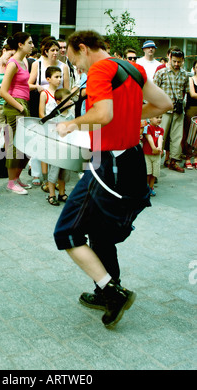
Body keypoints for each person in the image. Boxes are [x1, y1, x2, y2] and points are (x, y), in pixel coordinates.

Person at [53, 30, 172, 329]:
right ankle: (103, 291)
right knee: (100, 231)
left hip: (110, 162)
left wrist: (72, 123)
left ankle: (112, 291)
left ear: (82, 48)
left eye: (74, 60)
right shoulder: (131, 67)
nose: (77, 68)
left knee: (66, 232)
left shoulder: (99, 70)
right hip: (132, 159)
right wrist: (130, 117)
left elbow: (103, 114)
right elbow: (164, 104)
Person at [29, 39, 70, 185]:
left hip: (58, 105)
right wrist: (38, 87)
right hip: (41, 102)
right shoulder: (37, 64)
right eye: (52, 50)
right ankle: (36, 174)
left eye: (57, 50)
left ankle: (55, 174)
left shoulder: (63, 67)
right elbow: (29, 83)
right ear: (46, 51)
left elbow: (67, 88)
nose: (55, 53)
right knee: (38, 140)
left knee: (54, 144)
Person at [0, 32, 34, 195]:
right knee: (14, 146)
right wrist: (19, 107)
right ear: (20, 44)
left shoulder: (24, 61)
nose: (32, 45)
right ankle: (11, 182)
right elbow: (3, 91)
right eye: (30, 42)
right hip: (15, 105)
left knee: (25, 145)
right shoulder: (13, 63)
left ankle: (16, 178)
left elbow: (26, 85)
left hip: (23, 104)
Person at [153, 47, 189, 172]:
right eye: (174, 61)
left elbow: (186, 91)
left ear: (182, 61)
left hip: (178, 111)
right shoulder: (161, 72)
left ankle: (173, 161)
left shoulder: (185, 74)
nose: (176, 64)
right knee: (159, 138)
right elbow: (154, 90)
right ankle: (154, 165)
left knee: (177, 137)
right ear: (170, 58)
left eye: (179, 62)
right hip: (163, 111)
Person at [45, 88, 74, 206]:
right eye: (67, 100)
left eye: (71, 99)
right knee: (53, 173)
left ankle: (62, 193)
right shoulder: (54, 116)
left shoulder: (71, 116)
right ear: (58, 102)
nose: (70, 101)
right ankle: (51, 194)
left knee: (64, 173)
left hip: (66, 149)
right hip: (55, 150)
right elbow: (50, 132)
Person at [38, 66, 62, 189]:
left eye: (60, 77)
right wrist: (50, 122)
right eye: (56, 77)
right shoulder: (44, 93)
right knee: (45, 154)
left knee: (56, 154)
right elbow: (41, 112)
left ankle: (54, 180)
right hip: (48, 127)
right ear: (48, 79)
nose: (59, 79)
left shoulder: (61, 93)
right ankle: (45, 179)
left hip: (59, 128)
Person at [142, 115, 164, 196]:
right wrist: (154, 148)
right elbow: (149, 138)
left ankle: (151, 188)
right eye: (157, 117)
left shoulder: (161, 129)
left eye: (161, 117)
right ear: (150, 118)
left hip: (156, 155)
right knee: (148, 173)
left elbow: (160, 139)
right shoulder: (147, 128)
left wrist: (159, 148)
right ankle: (145, 188)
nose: (159, 119)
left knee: (154, 174)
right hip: (147, 154)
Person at [183, 60, 197, 169]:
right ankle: (188, 157)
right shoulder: (190, 79)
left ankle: (196, 158)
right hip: (191, 108)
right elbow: (192, 94)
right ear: (194, 68)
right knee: (189, 134)